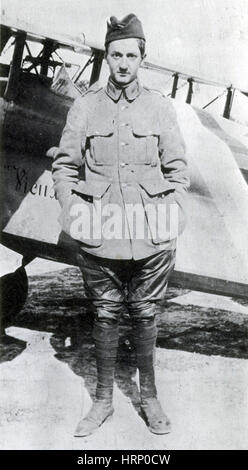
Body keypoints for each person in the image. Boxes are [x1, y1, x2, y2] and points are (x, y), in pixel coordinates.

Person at [51, 13, 189, 437]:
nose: (124, 63)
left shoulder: (159, 107)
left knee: (146, 315)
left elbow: (178, 170)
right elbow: (65, 167)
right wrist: (73, 211)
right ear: (107, 57)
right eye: (116, 55)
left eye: (131, 54)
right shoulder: (85, 106)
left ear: (142, 58)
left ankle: (149, 398)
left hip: (150, 233)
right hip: (100, 230)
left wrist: (172, 214)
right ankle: (103, 401)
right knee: (105, 315)